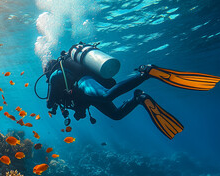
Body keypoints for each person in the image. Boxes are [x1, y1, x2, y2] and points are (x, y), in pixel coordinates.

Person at [37, 42, 220, 139]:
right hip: (88, 95)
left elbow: (50, 102)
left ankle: (145, 72)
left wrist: (51, 104)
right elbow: (77, 103)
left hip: (85, 83)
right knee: (116, 115)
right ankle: (140, 98)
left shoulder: (54, 77)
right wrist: (79, 111)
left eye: (45, 72)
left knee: (107, 95)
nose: (46, 75)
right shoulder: (59, 77)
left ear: (48, 70)